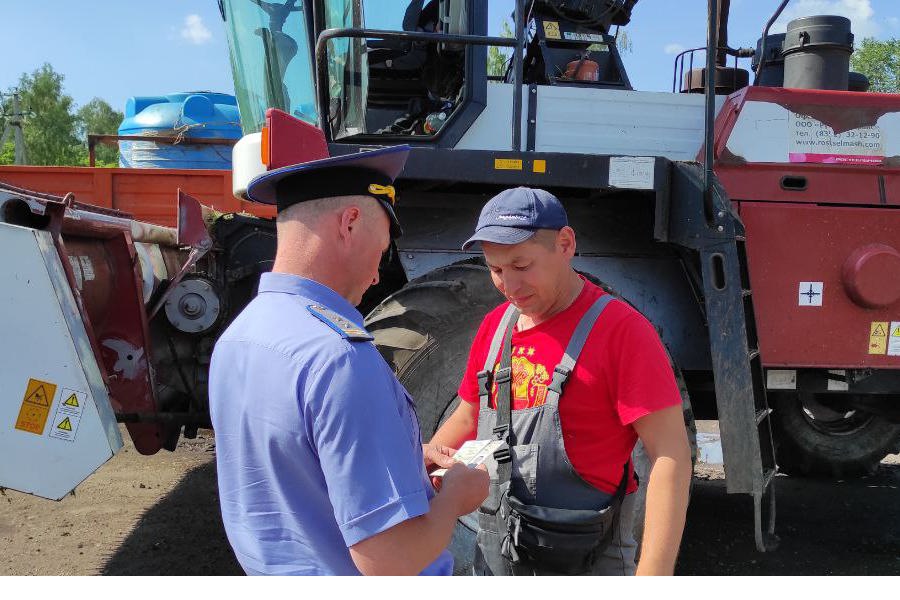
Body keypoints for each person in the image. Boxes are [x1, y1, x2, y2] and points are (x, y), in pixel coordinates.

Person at [208, 123, 488, 576]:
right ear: (350, 223)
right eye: (380, 252)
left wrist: (402, 461)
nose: (378, 276)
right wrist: (456, 496)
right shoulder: (338, 358)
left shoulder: (240, 337)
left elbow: (294, 468)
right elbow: (389, 561)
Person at [428, 186, 692, 576]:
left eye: (522, 266)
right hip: (498, 553)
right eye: (496, 270)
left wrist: (653, 578)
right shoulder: (495, 328)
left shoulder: (622, 332)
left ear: (565, 244)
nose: (509, 287)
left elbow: (671, 456)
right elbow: (470, 416)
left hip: (587, 557)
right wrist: (427, 461)